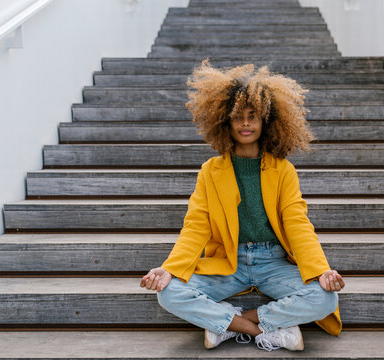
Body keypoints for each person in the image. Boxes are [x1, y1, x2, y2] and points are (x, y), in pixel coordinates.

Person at [139, 59, 345, 351]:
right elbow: (196, 226)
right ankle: (263, 331)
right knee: (168, 293)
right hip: (229, 262)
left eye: (253, 116)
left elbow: (298, 224)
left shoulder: (283, 170)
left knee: (325, 298)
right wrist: (170, 268)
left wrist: (321, 270)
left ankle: (227, 324)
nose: (246, 123)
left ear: (267, 121)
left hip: (273, 262)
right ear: (225, 120)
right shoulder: (210, 171)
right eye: (238, 116)